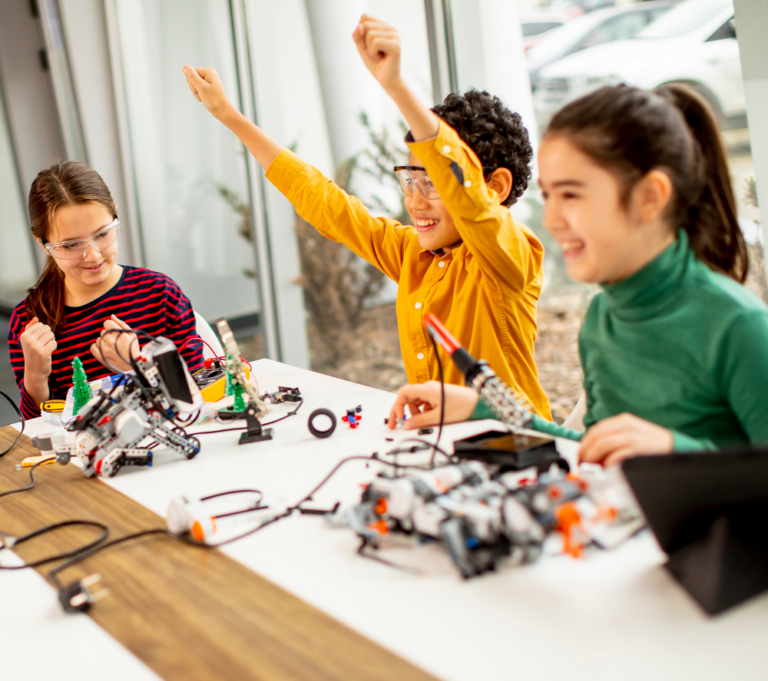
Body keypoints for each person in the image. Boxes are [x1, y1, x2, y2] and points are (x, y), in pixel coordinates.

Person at [182, 14, 551, 419]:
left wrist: (395, 86)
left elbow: (475, 208)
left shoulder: (511, 256)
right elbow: (328, 204)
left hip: (518, 445)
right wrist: (230, 117)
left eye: (432, 183)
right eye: (410, 179)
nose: (414, 201)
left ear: (495, 188)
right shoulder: (414, 255)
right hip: (444, 445)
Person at [389, 83, 768, 466]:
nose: (552, 221)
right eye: (549, 196)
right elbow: (590, 450)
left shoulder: (740, 327)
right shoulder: (603, 318)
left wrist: (674, 452)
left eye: (571, 195)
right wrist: (481, 408)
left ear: (650, 197)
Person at [8, 161, 204, 420]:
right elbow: (40, 431)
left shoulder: (160, 294)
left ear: (115, 217)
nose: (92, 255)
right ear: (44, 245)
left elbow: (199, 399)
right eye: (70, 245)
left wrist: (135, 367)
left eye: (102, 234)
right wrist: (34, 378)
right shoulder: (29, 320)